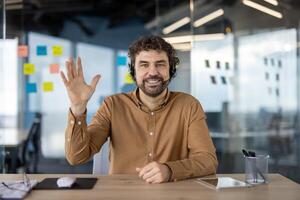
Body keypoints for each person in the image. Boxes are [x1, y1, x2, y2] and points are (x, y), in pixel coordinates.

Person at [60, 36, 218, 184]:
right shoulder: (112, 105)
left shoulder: (188, 105)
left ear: (170, 69)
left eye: (160, 64)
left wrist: (170, 170)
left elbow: (208, 160)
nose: (153, 72)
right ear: (133, 71)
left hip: (172, 194)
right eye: (144, 65)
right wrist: (78, 109)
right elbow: (76, 157)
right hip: (122, 194)